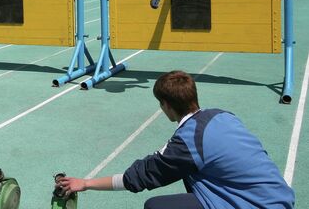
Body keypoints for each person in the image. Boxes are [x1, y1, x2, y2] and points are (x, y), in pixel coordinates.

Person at [56, 70, 295, 209]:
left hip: (256, 205)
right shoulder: (223, 116)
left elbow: (139, 177)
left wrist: (85, 183)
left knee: (155, 207)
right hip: (280, 198)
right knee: (196, 180)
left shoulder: (188, 143)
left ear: (166, 106)